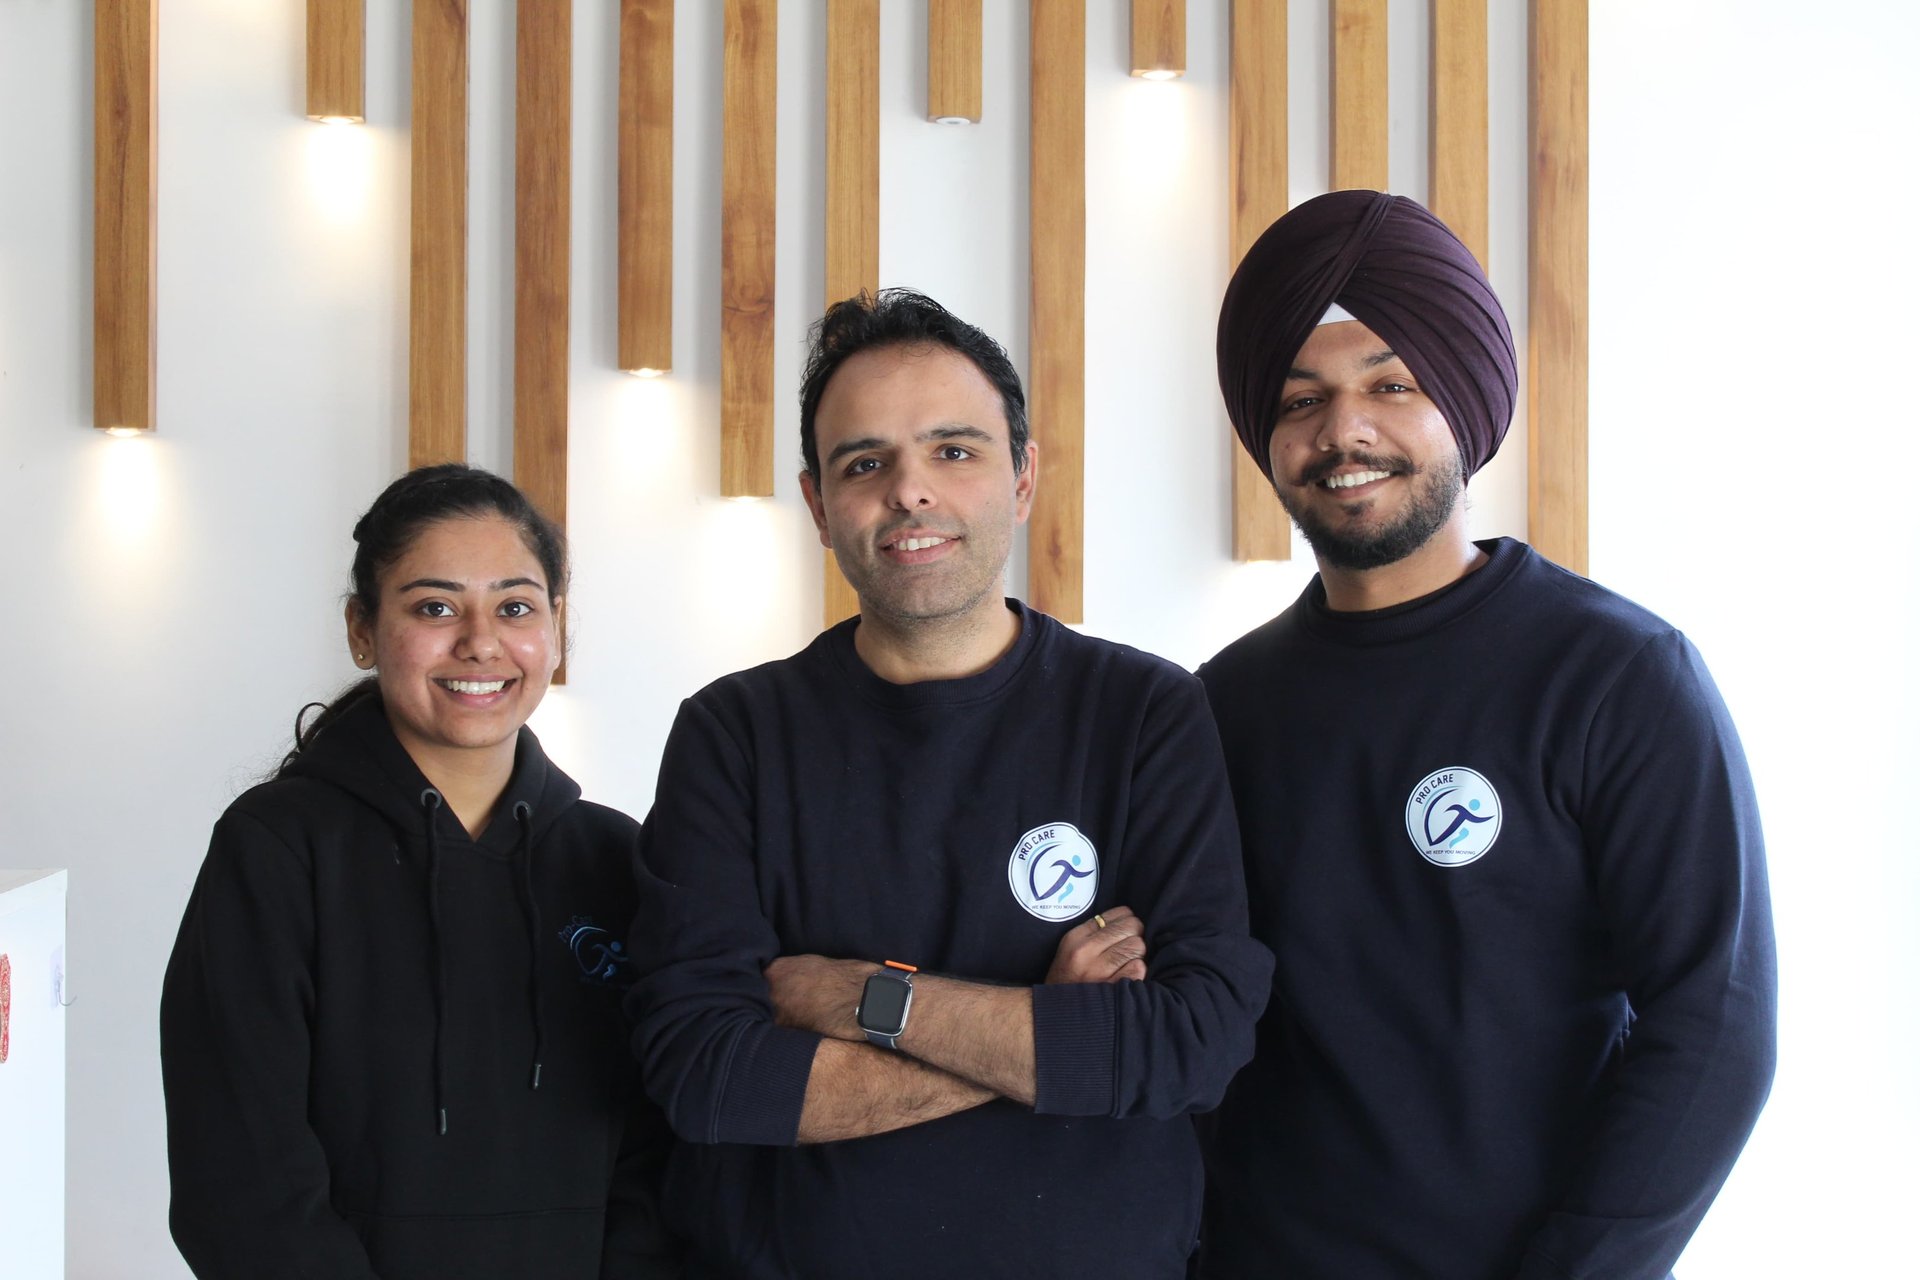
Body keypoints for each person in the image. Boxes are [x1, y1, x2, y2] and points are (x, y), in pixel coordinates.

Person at [626, 289, 1272, 1279]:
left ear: (1023, 478)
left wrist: (868, 998)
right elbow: (707, 1074)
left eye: (954, 451)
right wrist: (1048, 1022)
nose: (910, 492)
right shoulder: (734, 734)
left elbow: (1194, 1041)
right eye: (865, 463)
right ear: (818, 506)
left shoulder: (1145, 712)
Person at [1196, 189, 1777, 1279]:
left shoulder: (1615, 675)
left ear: (1463, 399)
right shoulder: (1218, 708)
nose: (1343, 431)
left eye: (1391, 385)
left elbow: (1716, 1025)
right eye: (1301, 398)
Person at [161, 464, 677, 1279]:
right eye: (435, 607)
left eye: (515, 607)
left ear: (557, 627)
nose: (480, 642)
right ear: (362, 630)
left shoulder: (615, 859)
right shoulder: (276, 850)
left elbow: (658, 1157)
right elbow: (240, 1179)